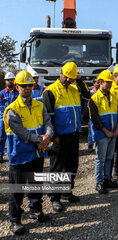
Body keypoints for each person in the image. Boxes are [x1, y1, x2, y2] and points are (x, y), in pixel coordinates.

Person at [4, 71, 53, 235]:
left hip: (37, 153)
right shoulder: (12, 109)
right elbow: (20, 131)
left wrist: (47, 136)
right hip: (19, 155)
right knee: (17, 189)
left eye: (29, 85)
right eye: (23, 86)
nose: (27, 89)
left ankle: (35, 209)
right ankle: (15, 220)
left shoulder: (40, 105)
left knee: (35, 183)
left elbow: (48, 122)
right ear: (17, 87)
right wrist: (40, 140)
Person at [43, 62, 90, 212]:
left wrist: (80, 81)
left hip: (74, 134)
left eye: (72, 78)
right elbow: (48, 117)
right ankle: (54, 198)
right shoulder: (50, 91)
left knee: (71, 165)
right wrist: (54, 136)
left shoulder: (74, 89)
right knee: (57, 168)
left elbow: (88, 96)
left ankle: (67, 191)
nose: (69, 80)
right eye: (67, 78)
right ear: (61, 73)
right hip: (60, 137)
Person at [89, 70, 118, 194]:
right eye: (108, 82)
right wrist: (106, 131)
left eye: (111, 82)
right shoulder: (94, 99)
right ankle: (99, 182)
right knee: (100, 159)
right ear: (101, 82)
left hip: (113, 133)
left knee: (109, 157)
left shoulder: (113, 96)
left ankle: (107, 178)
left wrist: (116, 129)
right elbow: (96, 120)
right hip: (102, 134)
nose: (111, 84)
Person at [0, 72, 19, 163]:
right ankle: (0, 155)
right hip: (4, 118)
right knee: (1, 137)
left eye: (12, 80)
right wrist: (7, 110)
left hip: (16, 118)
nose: (10, 81)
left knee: (16, 137)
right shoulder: (1, 93)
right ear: (5, 81)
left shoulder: (19, 92)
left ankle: (15, 155)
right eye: (8, 80)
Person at [88, 78, 100, 150]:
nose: (98, 83)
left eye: (99, 82)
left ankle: (96, 144)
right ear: (93, 83)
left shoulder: (102, 92)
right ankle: (90, 144)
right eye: (97, 82)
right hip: (92, 114)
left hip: (100, 113)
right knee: (91, 129)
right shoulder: (91, 93)